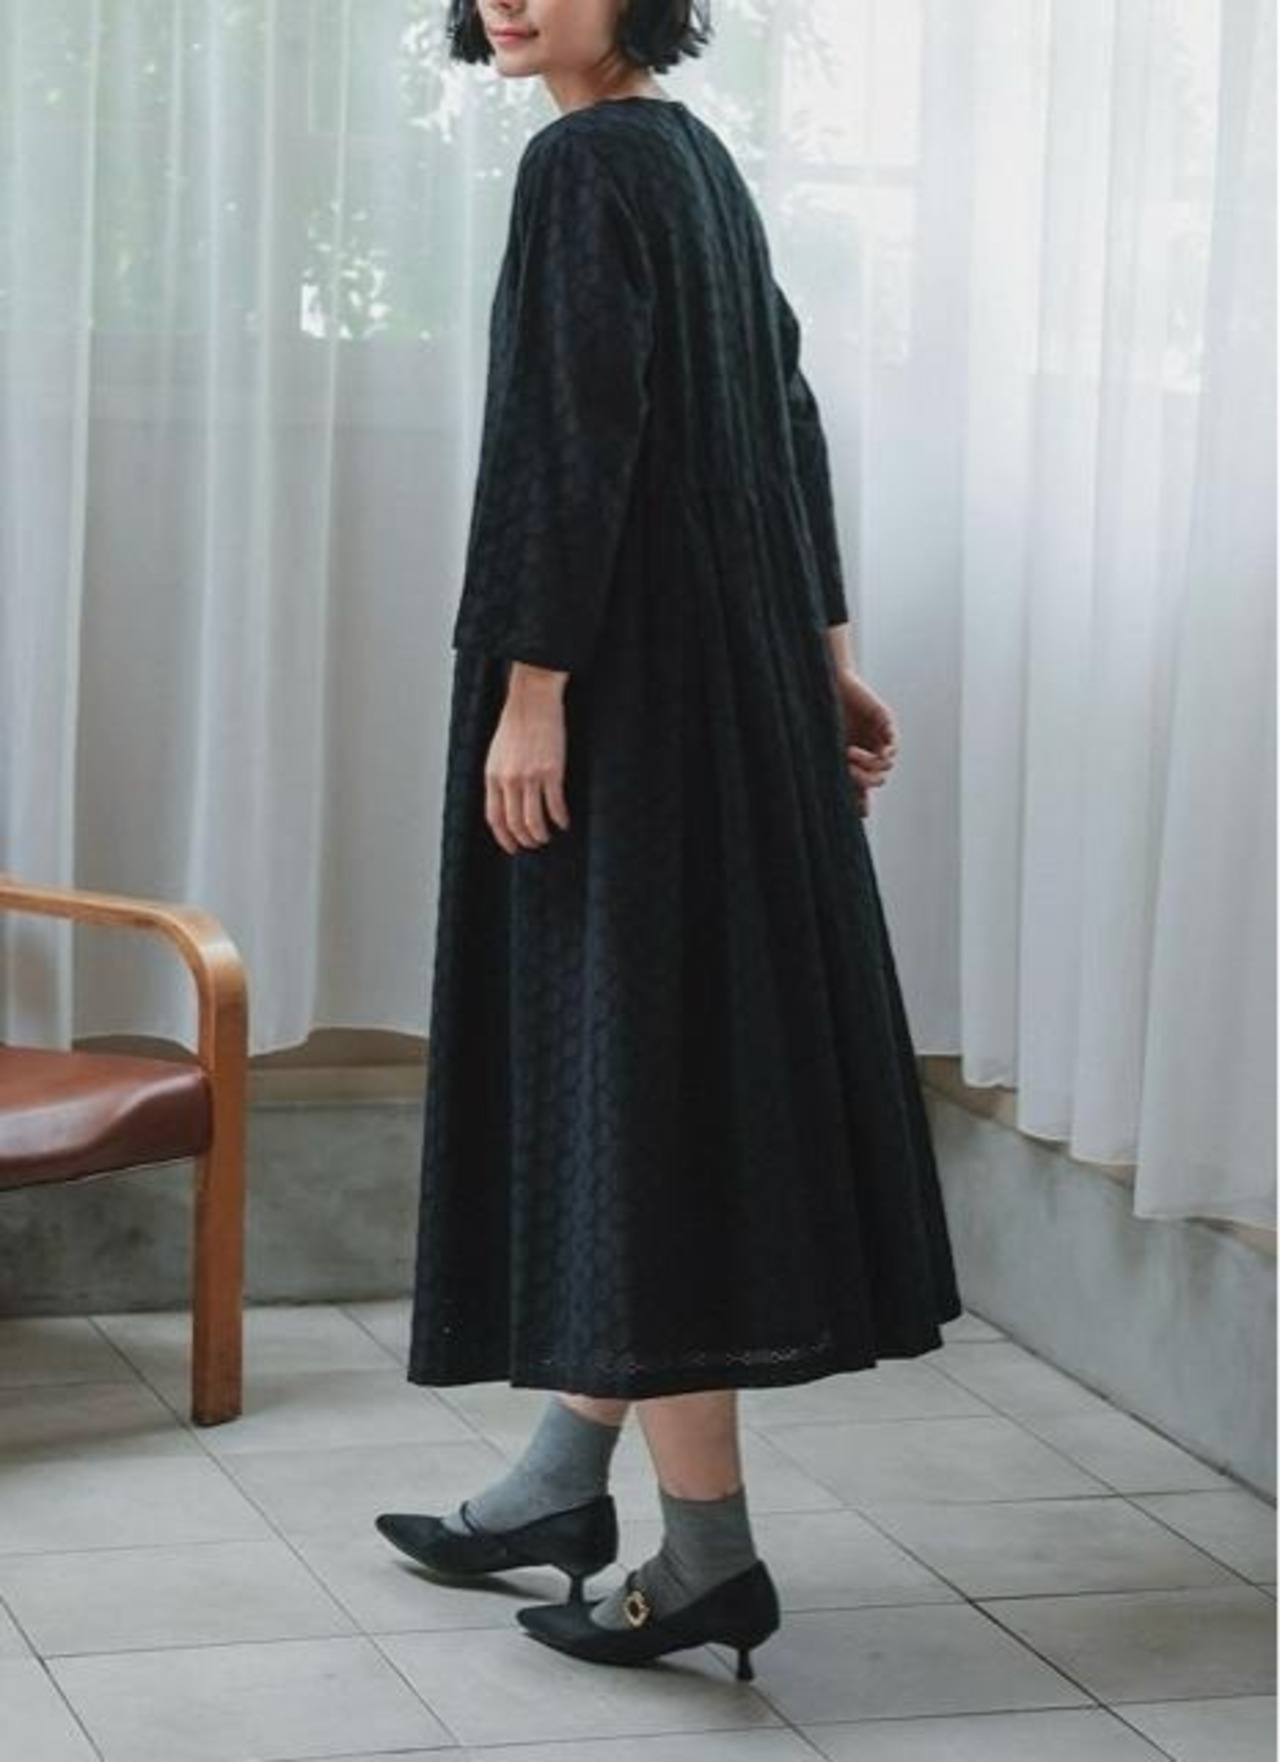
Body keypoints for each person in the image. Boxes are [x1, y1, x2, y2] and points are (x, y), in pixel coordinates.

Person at [375, 0, 963, 1680]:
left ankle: (704, 1553)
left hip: (627, 693)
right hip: (733, 675)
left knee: (639, 1092)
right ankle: (562, 1481)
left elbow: (567, 440)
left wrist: (532, 691)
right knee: (653, 1065)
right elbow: (787, 419)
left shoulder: (584, 166)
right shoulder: (692, 158)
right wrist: (823, 660)